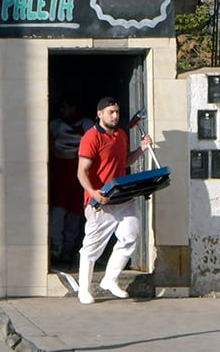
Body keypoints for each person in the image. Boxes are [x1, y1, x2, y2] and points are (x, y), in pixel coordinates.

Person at [75, 95, 152, 304]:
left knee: (130, 236)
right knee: (92, 248)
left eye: (117, 112)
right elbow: (82, 171)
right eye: (111, 112)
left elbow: (124, 161)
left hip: (122, 198)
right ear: (100, 114)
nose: (115, 116)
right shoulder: (91, 137)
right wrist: (92, 192)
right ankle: (84, 290)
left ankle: (109, 279)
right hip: (101, 201)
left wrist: (141, 150)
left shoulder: (121, 135)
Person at [48, 99, 92, 266]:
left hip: (78, 178)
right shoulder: (56, 125)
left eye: (64, 106)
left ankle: (68, 251)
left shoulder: (86, 124)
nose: (61, 109)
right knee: (58, 214)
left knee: (74, 215)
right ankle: (55, 250)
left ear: (73, 107)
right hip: (59, 176)